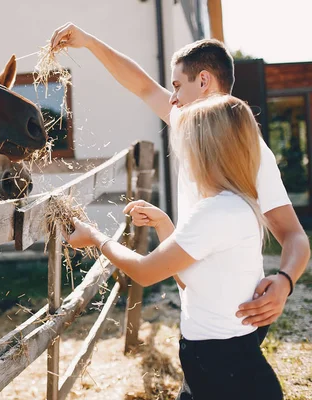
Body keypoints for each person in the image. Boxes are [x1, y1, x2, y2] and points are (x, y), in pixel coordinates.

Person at [49, 22, 309, 332]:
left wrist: (285, 281)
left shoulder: (254, 155)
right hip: (198, 310)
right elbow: (142, 86)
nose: (171, 98)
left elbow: (294, 235)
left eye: (176, 85)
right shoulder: (191, 128)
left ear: (203, 81)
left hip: (233, 321)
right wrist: (90, 41)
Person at [66, 94, 283, 399]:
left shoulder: (214, 212)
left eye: (187, 147)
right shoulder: (236, 204)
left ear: (207, 151)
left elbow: (144, 272)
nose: (184, 157)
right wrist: (165, 224)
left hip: (226, 376)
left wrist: (95, 237)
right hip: (218, 368)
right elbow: (188, 277)